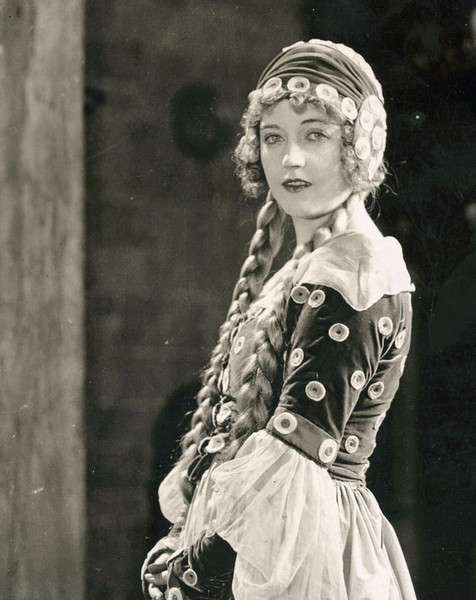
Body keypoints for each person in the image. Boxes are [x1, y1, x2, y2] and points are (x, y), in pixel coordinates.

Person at [142, 39, 417, 600]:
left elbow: (289, 469)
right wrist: (181, 541)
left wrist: (188, 575)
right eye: (274, 137)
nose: (291, 158)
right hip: (263, 543)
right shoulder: (307, 267)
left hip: (304, 556)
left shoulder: (353, 273)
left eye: (314, 135)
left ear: (358, 146)